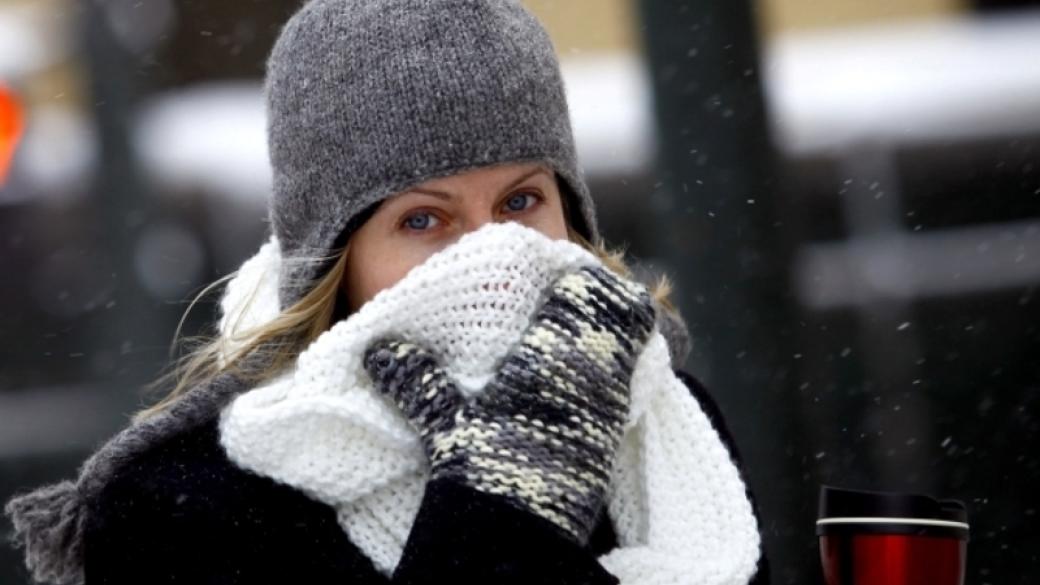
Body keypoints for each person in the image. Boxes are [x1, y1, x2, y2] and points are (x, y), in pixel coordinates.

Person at [4, 1, 770, 584]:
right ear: (334, 258)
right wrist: (511, 495)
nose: (495, 254)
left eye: (520, 201)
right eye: (424, 219)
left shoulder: (664, 423)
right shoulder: (182, 506)